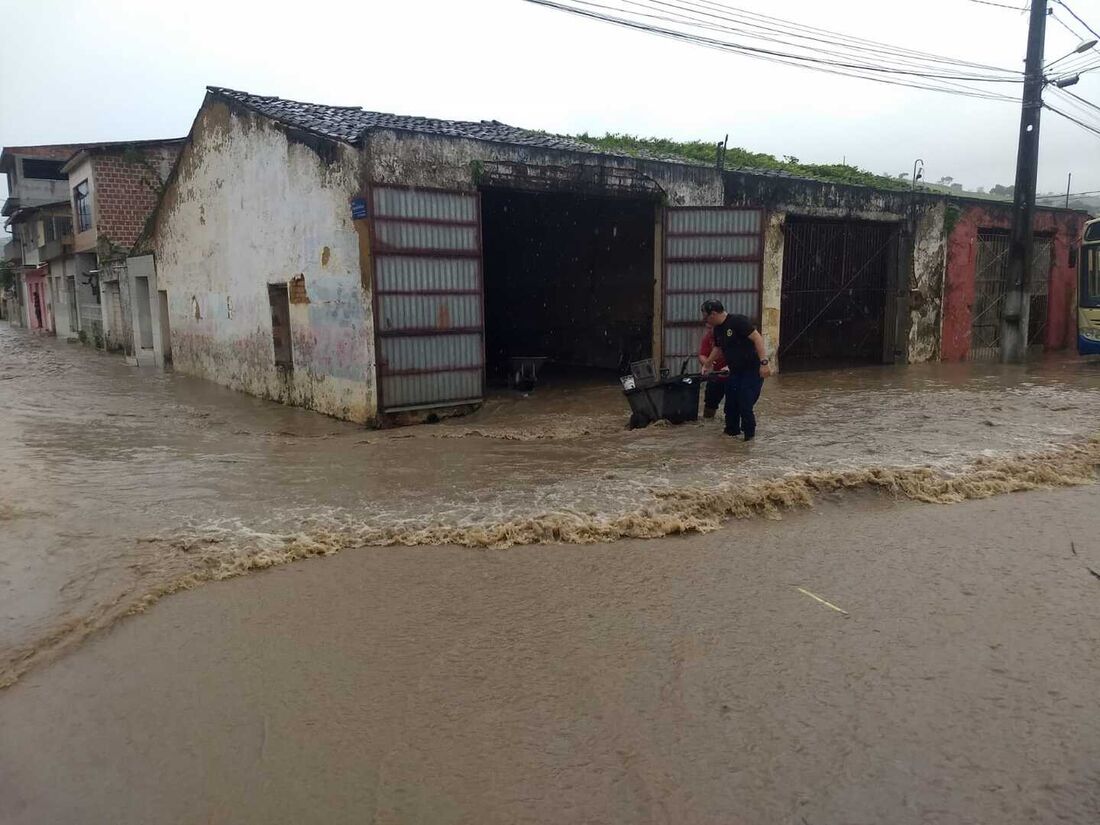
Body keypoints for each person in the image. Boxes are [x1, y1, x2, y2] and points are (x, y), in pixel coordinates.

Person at [699, 299, 772, 440]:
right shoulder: (718, 329)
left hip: (752, 370)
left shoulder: (738, 321)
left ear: (713, 314)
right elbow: (718, 348)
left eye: (706, 317)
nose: (705, 321)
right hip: (735, 371)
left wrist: (764, 363)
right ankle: (731, 438)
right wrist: (707, 365)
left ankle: (749, 439)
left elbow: (757, 339)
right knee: (731, 404)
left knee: (744, 403)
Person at [698, 327, 727, 419]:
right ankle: (708, 423)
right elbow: (702, 354)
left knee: (734, 405)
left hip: (733, 375)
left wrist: (731, 366)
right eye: (708, 327)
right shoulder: (708, 337)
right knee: (710, 403)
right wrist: (707, 363)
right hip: (716, 375)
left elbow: (742, 356)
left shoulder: (732, 336)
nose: (710, 330)